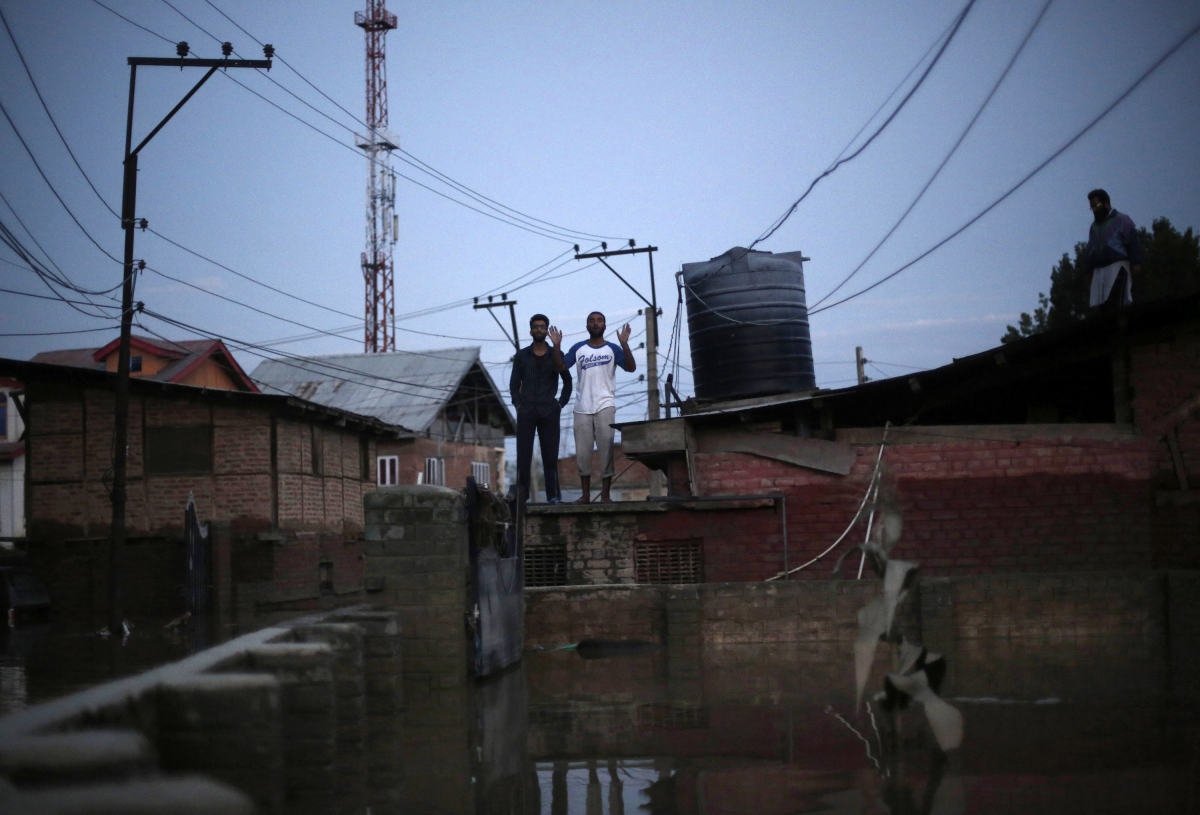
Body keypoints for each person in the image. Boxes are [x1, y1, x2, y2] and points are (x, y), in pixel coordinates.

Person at [549, 312, 636, 503]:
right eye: (591, 321)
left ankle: (605, 495)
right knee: (583, 453)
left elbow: (631, 368)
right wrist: (556, 346)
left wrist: (625, 344)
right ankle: (586, 495)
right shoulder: (579, 349)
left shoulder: (613, 349)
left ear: (605, 325)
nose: (596, 324)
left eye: (599, 321)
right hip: (582, 407)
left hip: (605, 405)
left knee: (606, 450)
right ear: (587, 326)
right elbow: (559, 367)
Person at [509, 314, 572, 503]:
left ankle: (553, 496)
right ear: (530, 330)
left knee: (550, 456)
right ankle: (522, 495)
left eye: (543, 327)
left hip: (549, 411)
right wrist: (518, 405)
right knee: (523, 456)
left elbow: (567, 382)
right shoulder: (521, 356)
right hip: (526, 411)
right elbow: (514, 384)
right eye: (536, 327)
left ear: (547, 330)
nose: (539, 330)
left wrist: (559, 404)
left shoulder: (556, 354)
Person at [1084, 188, 1143, 313]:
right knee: (1100, 308)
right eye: (1092, 207)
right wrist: (1088, 270)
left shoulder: (1122, 219)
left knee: (1116, 303)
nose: (1094, 210)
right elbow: (1091, 250)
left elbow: (1132, 242)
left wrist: (1136, 262)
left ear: (1106, 203)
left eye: (1096, 206)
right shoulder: (1094, 227)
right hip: (1099, 272)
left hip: (1117, 268)